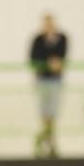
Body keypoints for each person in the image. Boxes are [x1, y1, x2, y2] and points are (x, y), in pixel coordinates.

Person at [29, 13, 68, 158]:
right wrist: (48, 64)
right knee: (44, 111)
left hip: (55, 80)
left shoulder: (62, 38)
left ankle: (47, 139)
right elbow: (34, 58)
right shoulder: (38, 40)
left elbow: (62, 56)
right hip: (42, 80)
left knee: (52, 111)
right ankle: (48, 139)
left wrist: (57, 64)